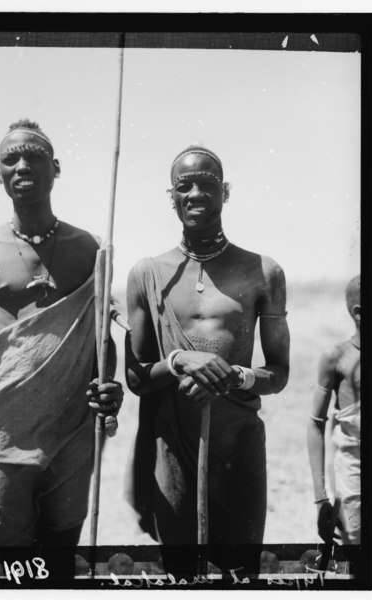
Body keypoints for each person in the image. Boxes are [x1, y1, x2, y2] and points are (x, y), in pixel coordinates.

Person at [0, 119, 123, 558]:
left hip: (72, 434)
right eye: (10, 158)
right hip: (3, 437)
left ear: (56, 167)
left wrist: (110, 388)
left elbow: (101, 344)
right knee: (16, 565)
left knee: (60, 561)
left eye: (33, 155)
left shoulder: (92, 249)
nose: (21, 164)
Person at [125, 145, 290, 575]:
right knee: (181, 572)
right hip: (173, 443)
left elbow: (279, 373)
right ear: (171, 196)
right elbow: (137, 378)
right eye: (184, 185)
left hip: (238, 442)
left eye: (207, 184)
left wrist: (236, 376)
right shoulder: (147, 273)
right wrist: (179, 359)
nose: (195, 193)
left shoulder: (263, 271)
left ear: (226, 192)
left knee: (240, 572)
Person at [307, 275, 361, 546]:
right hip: (355, 481)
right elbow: (315, 424)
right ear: (359, 313)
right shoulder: (337, 358)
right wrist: (321, 500)